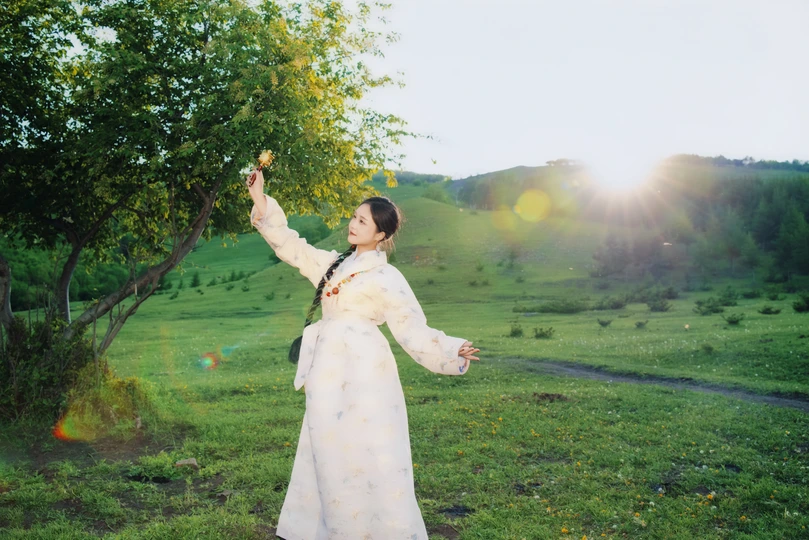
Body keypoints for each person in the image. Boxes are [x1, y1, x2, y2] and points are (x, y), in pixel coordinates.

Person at [246, 168, 480, 539]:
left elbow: (411, 327)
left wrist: (452, 348)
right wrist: (260, 199)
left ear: (381, 234)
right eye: (354, 217)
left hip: (366, 369)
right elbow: (292, 247)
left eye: (362, 221)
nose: (352, 225)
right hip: (327, 369)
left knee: (368, 446)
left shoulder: (387, 278)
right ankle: (330, 527)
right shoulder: (335, 264)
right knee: (326, 445)